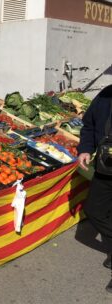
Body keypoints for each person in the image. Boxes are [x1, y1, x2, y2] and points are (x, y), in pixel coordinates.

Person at [78, 84, 112, 293]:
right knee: (94, 210)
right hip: (105, 165)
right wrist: (85, 149)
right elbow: (88, 125)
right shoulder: (105, 95)